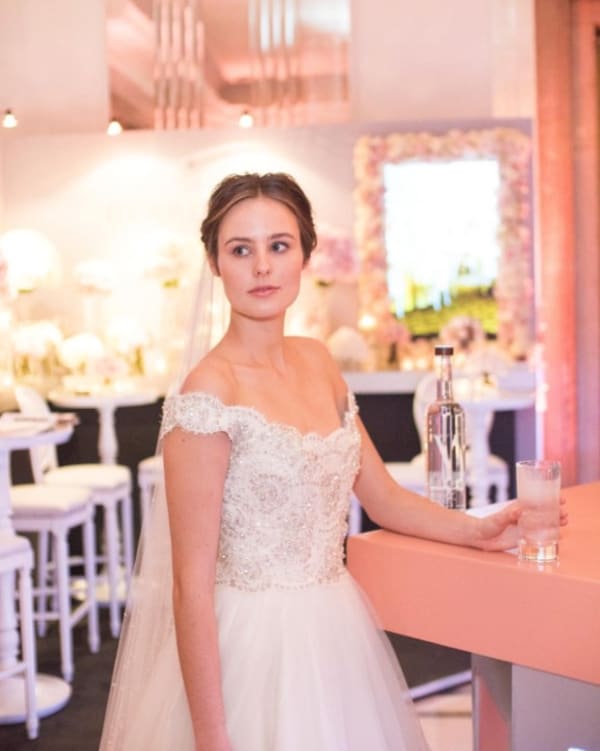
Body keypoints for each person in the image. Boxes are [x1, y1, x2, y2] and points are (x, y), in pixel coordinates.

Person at [100, 172, 564, 751]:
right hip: (250, 652)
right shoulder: (207, 395)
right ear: (216, 264)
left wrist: (479, 529)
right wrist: (213, 737)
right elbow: (189, 588)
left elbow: (384, 497)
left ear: (305, 254)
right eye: (240, 250)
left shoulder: (319, 361)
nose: (262, 267)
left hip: (335, 632)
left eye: (279, 246)